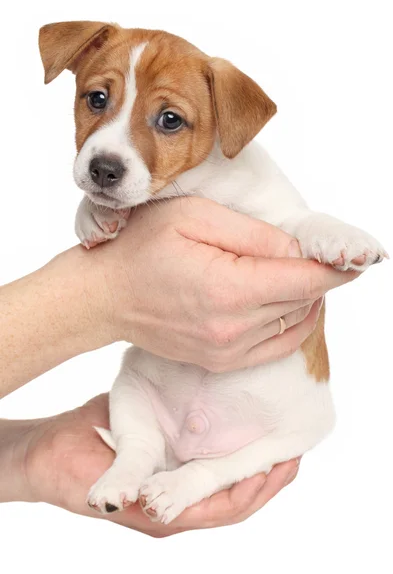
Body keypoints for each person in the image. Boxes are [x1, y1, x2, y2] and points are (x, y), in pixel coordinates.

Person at [0, 197, 358, 536]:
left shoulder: (256, 183)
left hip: (263, 428)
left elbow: (293, 218)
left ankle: (199, 476)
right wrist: (106, 286)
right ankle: (136, 456)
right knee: (135, 381)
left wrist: (27, 453)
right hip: (159, 401)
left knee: (309, 423)